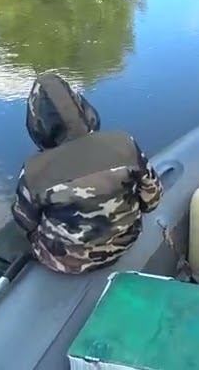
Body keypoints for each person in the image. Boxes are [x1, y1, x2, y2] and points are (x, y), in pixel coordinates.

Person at [9, 72, 164, 274]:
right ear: (83, 108)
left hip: (64, 263)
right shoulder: (123, 143)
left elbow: (25, 222)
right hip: (126, 243)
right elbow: (152, 199)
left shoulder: (34, 170)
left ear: (37, 123)